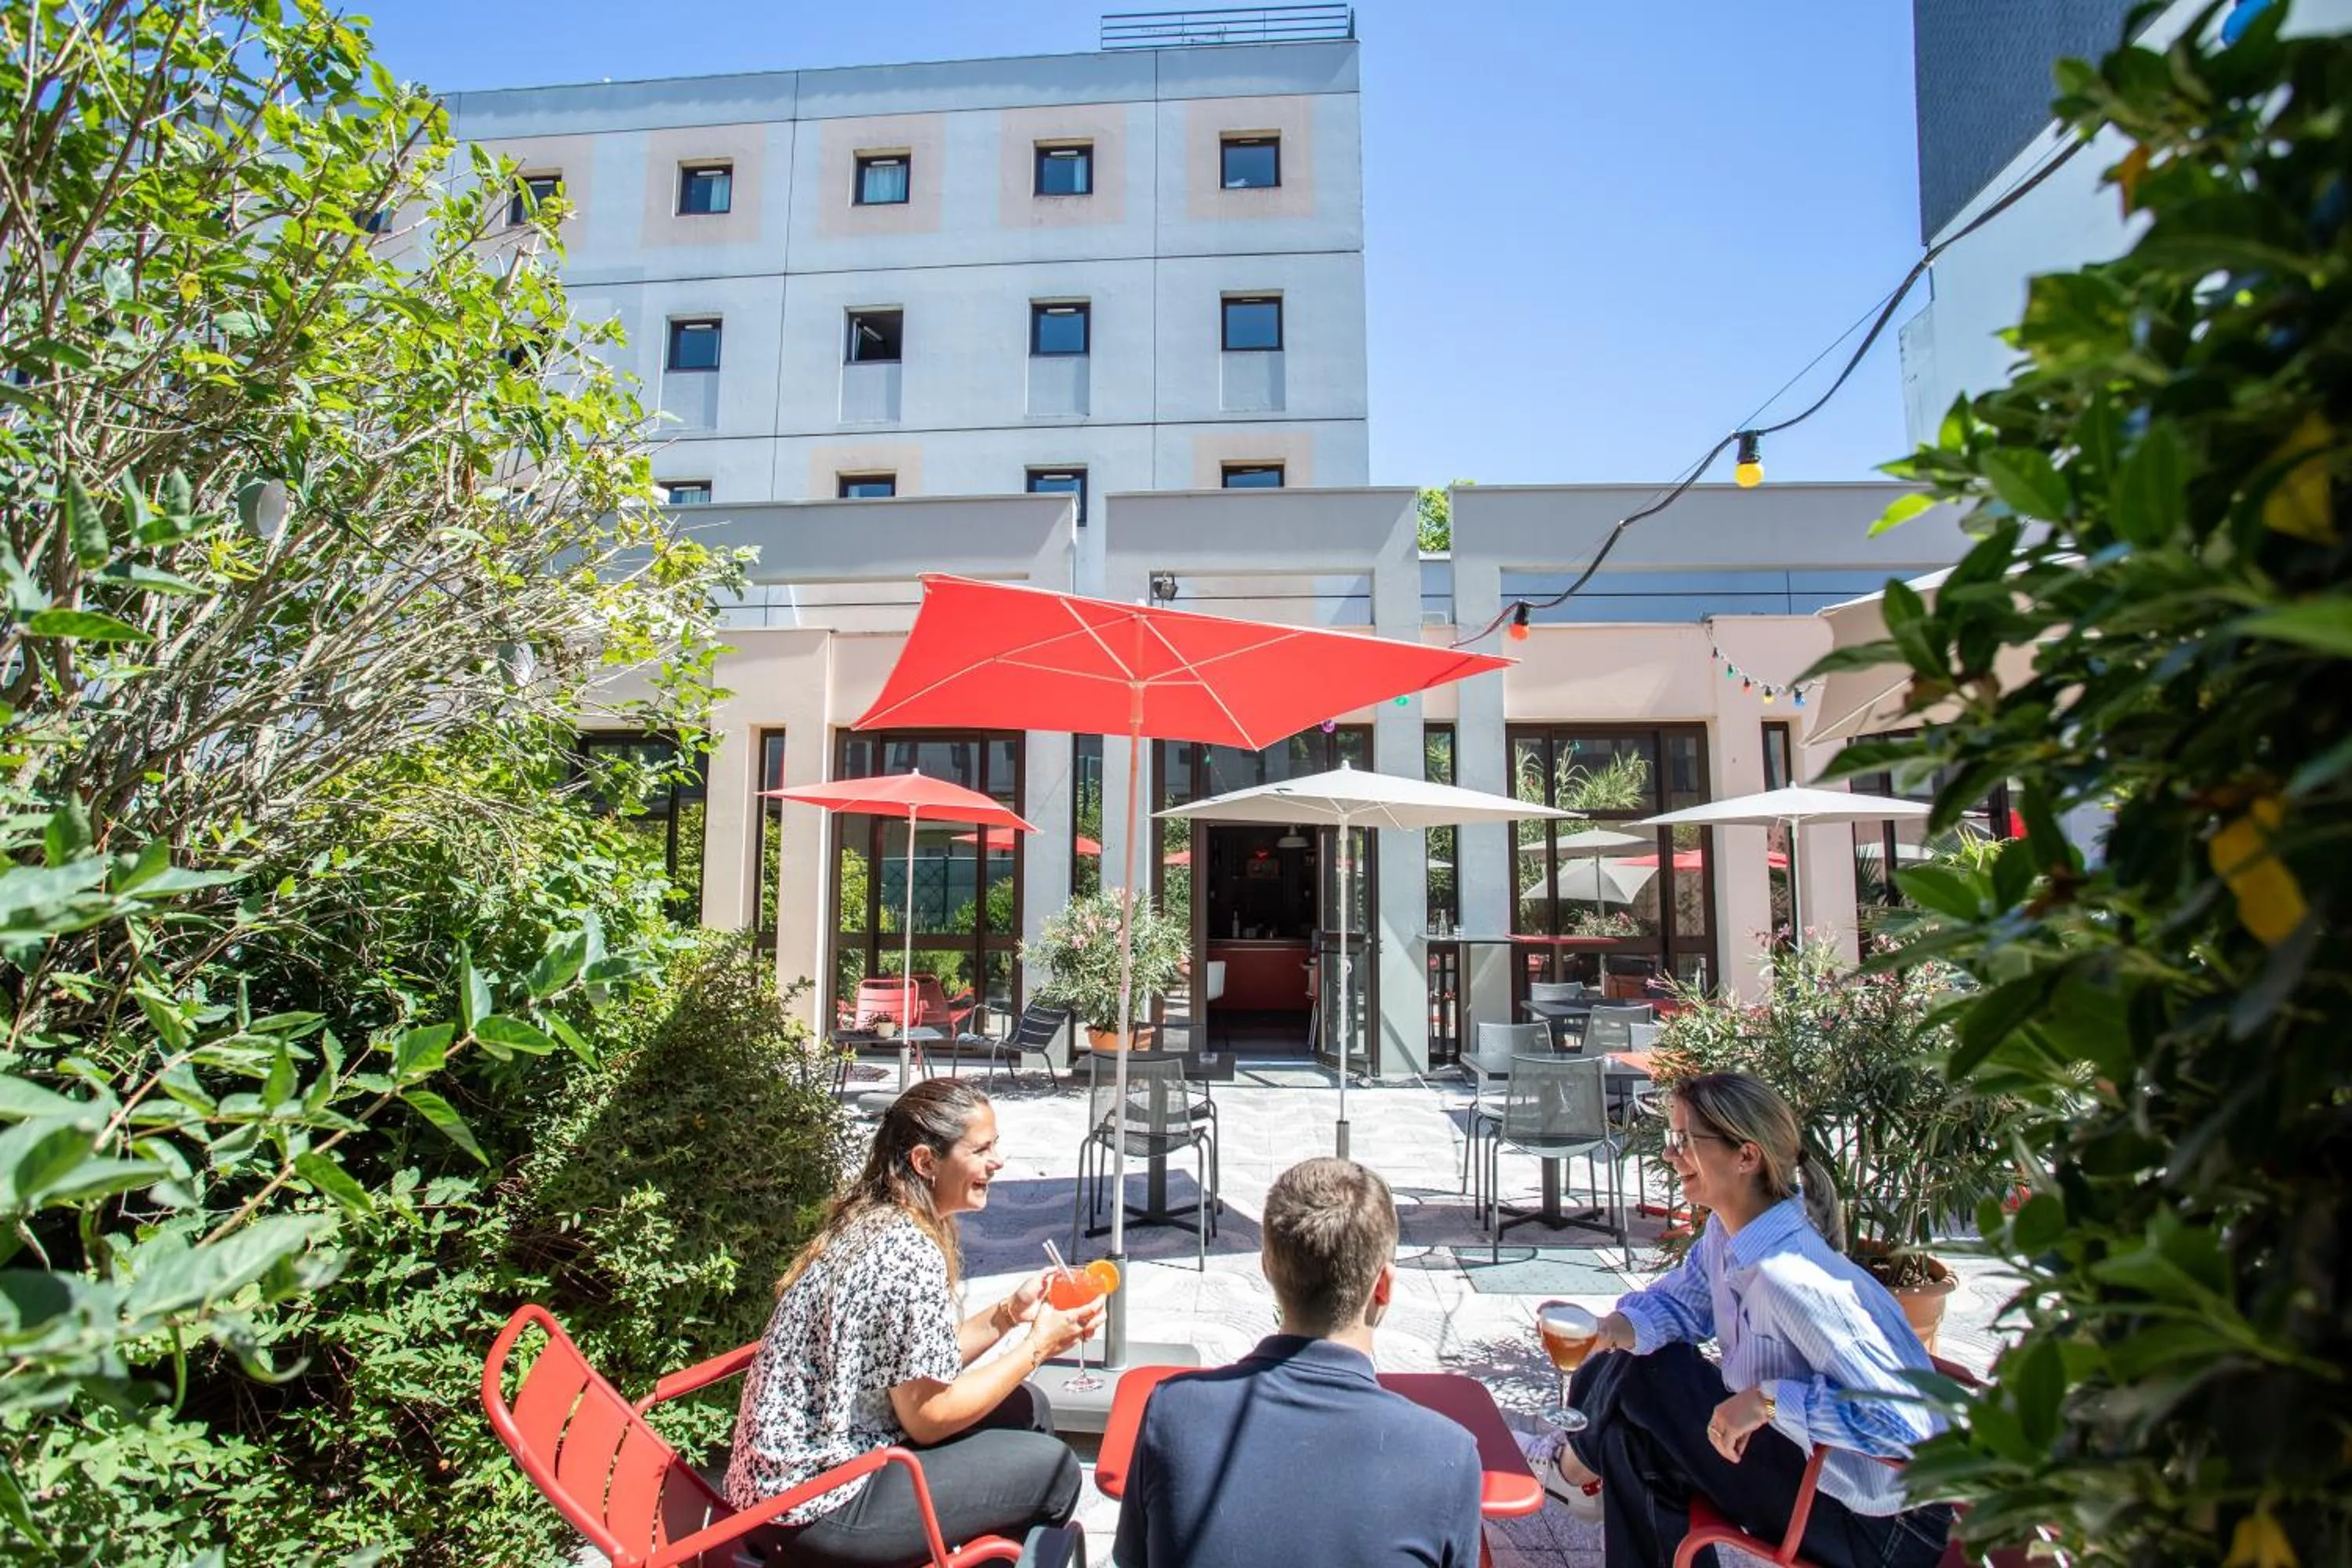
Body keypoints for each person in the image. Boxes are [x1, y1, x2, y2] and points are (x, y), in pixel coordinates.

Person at [1530, 1072, 1955, 1568]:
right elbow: (1684, 1307)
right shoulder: (1727, 1235)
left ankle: (1573, 1465)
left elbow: (1902, 1422)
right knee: (1631, 1438)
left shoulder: (1791, 1279)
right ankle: (1583, 1465)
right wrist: (1606, 1331)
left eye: (1684, 1141)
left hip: (1884, 1528)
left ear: (1746, 1157)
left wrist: (1771, 1400)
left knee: (1645, 1374)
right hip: (1814, 1468)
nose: (1670, 1155)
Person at [725, 1078, 1102, 1567]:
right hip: (816, 1508)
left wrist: (1010, 1313)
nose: (998, 1161)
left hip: (806, 1477)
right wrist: (1036, 1348)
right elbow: (926, 1418)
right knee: (1055, 1472)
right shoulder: (907, 1251)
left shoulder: (882, 1217)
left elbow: (912, 1365)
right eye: (981, 1149)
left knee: (1026, 1407)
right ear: (926, 1161)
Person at [1114, 1157, 1485, 1568]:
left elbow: (1133, 1559)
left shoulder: (1173, 1410)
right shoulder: (1447, 1456)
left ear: (1266, 1267)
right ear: (1384, 1286)